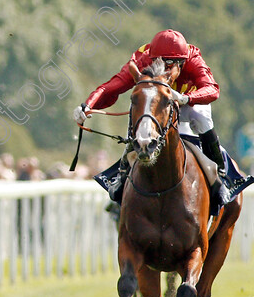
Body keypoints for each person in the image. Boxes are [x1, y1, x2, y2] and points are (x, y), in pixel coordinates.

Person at [74, 29, 248, 209]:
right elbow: (113, 86)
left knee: (200, 116)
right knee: (137, 107)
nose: (169, 67)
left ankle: (220, 175)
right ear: (153, 58)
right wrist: (87, 105)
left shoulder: (193, 58)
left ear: (184, 59)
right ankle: (123, 172)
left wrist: (185, 98)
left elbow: (212, 89)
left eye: (176, 63)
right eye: (164, 62)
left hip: (189, 102)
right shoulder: (142, 59)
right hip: (158, 107)